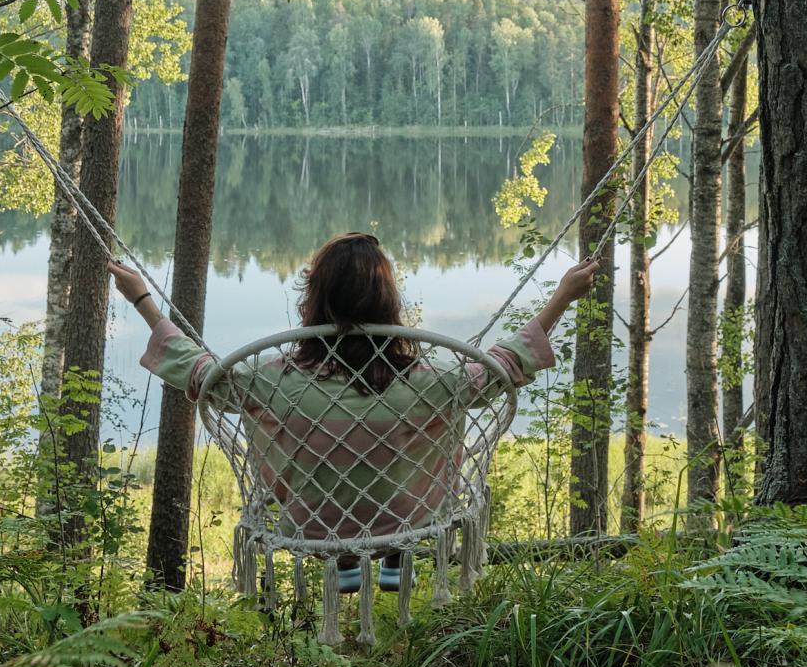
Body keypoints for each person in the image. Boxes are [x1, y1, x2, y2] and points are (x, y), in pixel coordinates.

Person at [110, 233, 599, 594]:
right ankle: (394, 554)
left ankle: (345, 559)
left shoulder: (270, 377)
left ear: (314, 299)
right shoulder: (432, 377)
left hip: (313, 520)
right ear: (388, 302)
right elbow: (504, 366)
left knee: (332, 471)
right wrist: (560, 298)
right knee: (400, 462)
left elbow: (199, 372)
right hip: (409, 515)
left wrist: (142, 299)